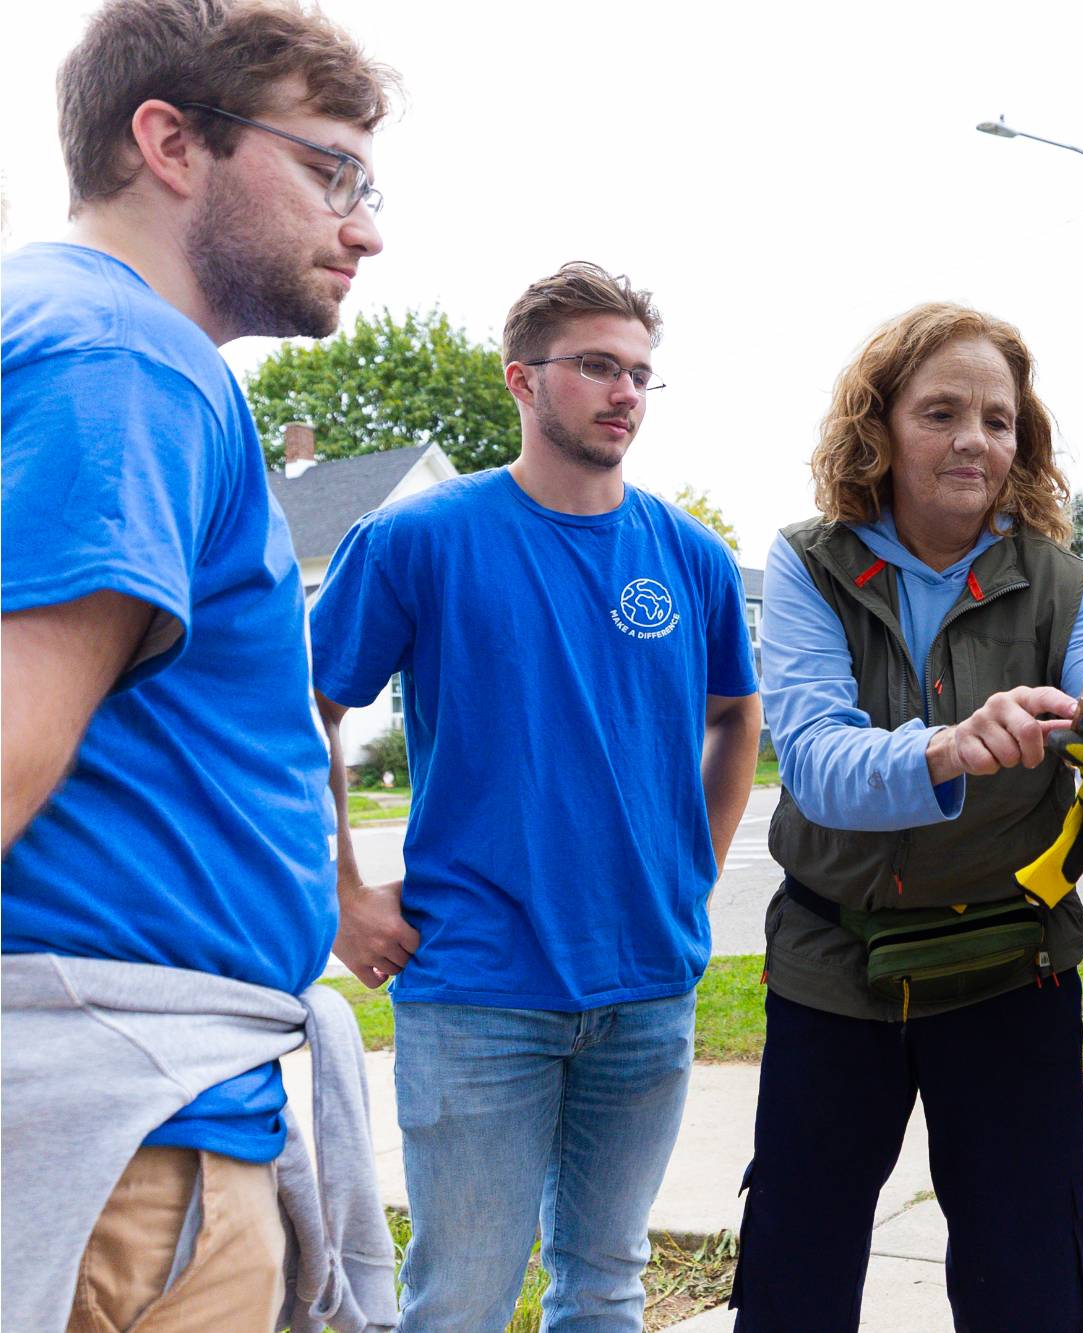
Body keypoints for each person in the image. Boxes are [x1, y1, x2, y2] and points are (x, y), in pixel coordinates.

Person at [1, 2, 398, 1329]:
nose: (365, 226)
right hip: (123, 1142)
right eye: (328, 169)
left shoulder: (53, 334)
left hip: (125, 1108)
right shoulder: (123, 359)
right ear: (170, 142)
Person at [309, 261, 762, 1329]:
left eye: (642, 374)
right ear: (520, 378)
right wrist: (338, 892)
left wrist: (691, 869)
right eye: (597, 367)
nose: (624, 394)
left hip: (647, 986)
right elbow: (301, 714)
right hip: (476, 987)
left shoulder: (689, 555)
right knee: (462, 1292)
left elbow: (735, 716)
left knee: (605, 1281)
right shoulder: (420, 539)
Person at [729, 302, 1083, 1332]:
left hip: (1009, 971)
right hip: (831, 970)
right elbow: (811, 760)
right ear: (879, 427)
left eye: (997, 417)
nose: (973, 439)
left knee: (1033, 1284)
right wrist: (946, 745)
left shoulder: (1067, 585)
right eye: (940, 412)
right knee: (793, 1280)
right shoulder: (807, 565)